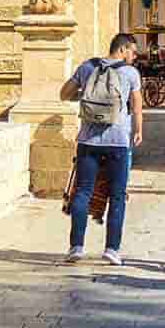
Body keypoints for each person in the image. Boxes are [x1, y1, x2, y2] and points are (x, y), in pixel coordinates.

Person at [60, 33, 145, 266]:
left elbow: (63, 94)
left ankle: (76, 247)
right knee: (117, 195)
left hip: (88, 141)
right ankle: (111, 250)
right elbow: (137, 108)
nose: (134, 56)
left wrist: (85, 98)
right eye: (133, 52)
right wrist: (138, 131)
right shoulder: (130, 73)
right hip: (118, 141)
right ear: (123, 49)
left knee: (83, 192)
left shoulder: (87, 67)